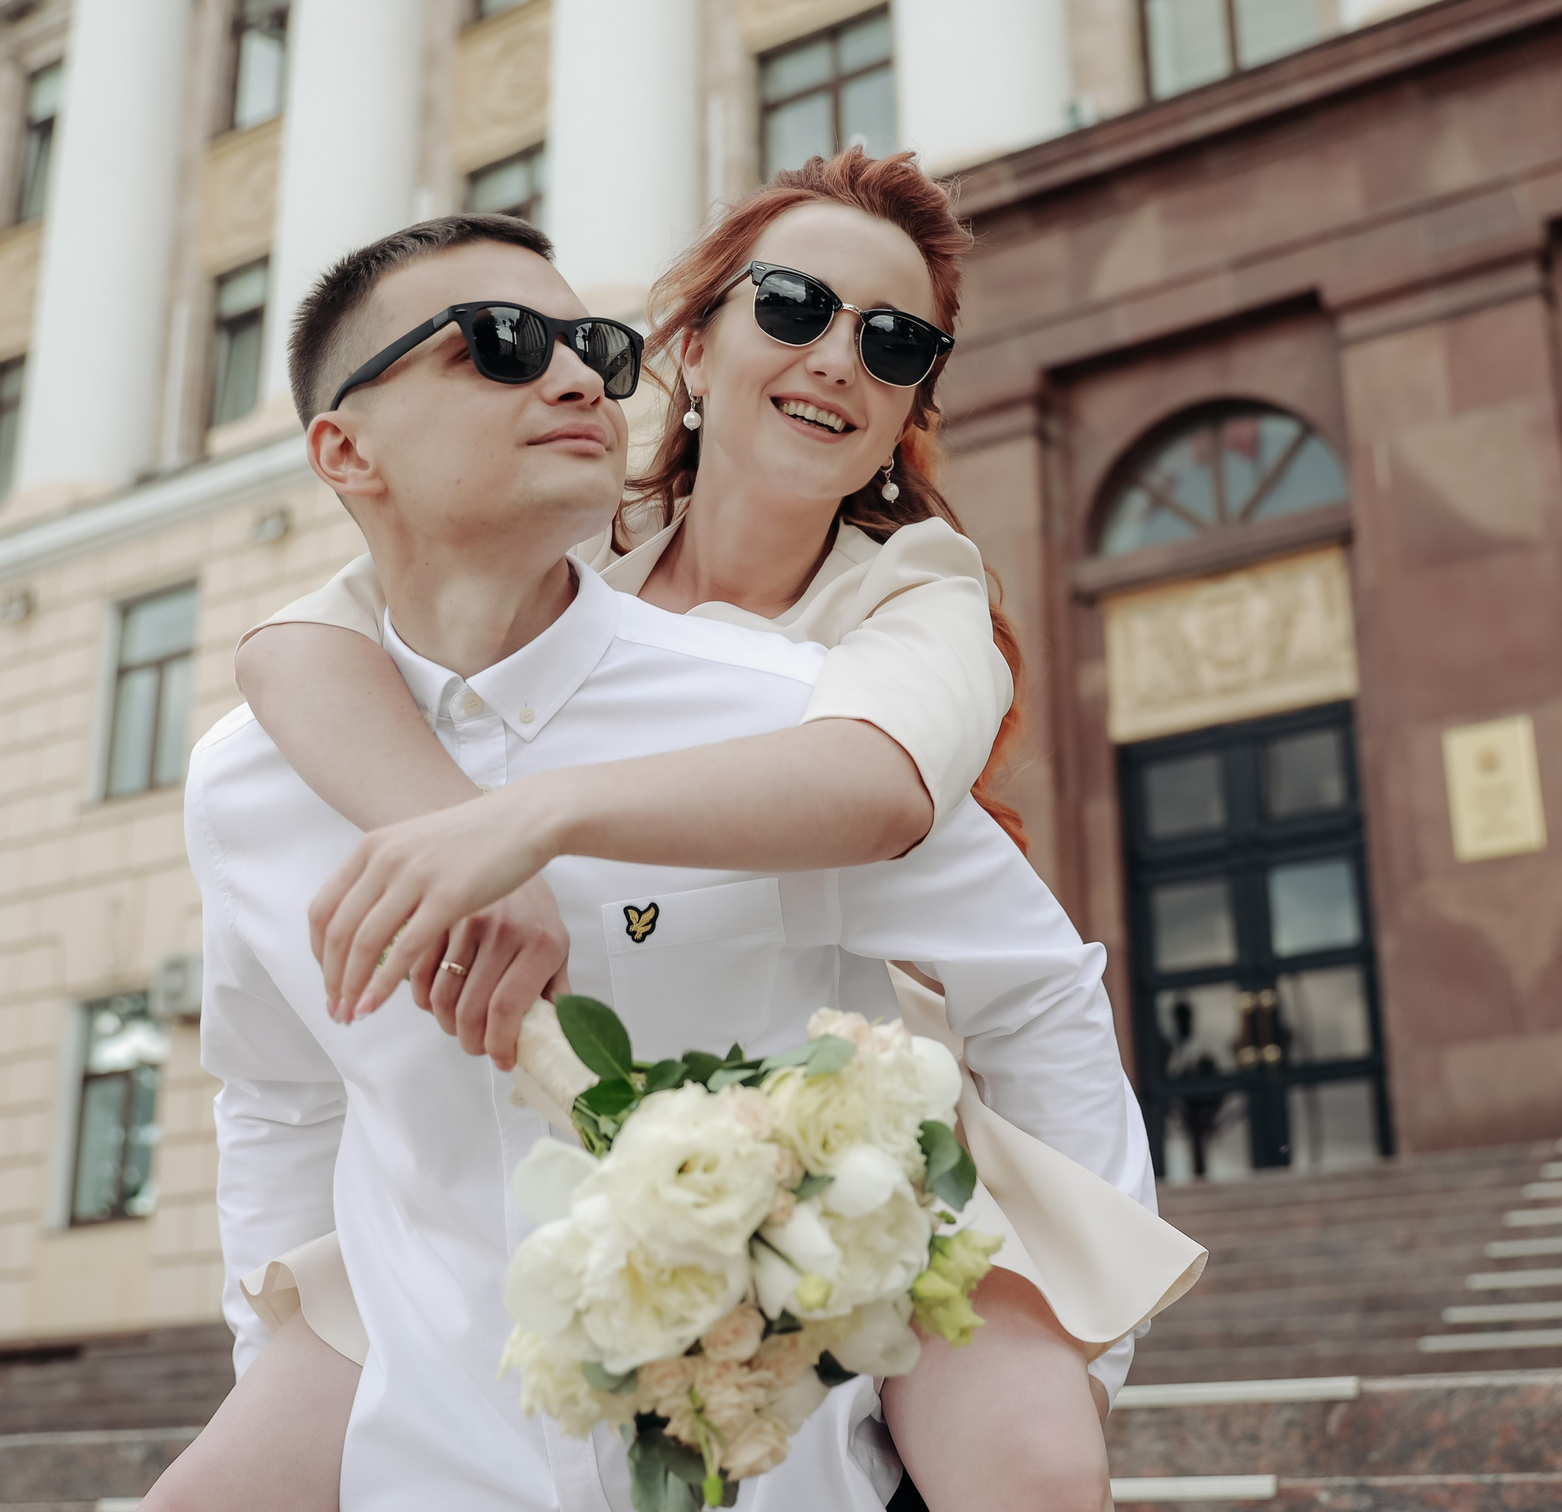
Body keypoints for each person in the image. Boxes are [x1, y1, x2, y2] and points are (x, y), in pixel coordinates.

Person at [156, 189, 1161, 1512]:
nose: (837, 361)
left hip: (871, 1139)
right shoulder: (550, 549)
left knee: (1030, 1465)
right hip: (448, 1294)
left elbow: (881, 797)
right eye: (794, 308)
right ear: (691, 347)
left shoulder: (883, 625)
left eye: (895, 346)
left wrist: (526, 822)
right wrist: (443, 822)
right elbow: (304, 645)